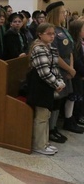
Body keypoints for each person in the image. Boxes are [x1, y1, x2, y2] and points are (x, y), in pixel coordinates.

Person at [46, 1, 83, 142]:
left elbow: (70, 51)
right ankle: (51, 129)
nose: (65, 14)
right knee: (55, 99)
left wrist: (71, 67)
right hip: (57, 70)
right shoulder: (51, 30)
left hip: (67, 70)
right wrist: (68, 68)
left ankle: (55, 127)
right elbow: (55, 54)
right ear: (55, 13)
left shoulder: (63, 29)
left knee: (62, 99)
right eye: (62, 12)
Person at [27, 22, 65, 155]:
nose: (52, 36)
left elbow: (54, 68)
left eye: (53, 33)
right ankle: (39, 145)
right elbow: (44, 72)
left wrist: (60, 81)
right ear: (40, 34)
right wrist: (56, 84)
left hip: (47, 85)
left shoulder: (50, 47)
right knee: (42, 116)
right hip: (39, 85)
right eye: (49, 34)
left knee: (47, 114)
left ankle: (45, 142)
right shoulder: (38, 49)